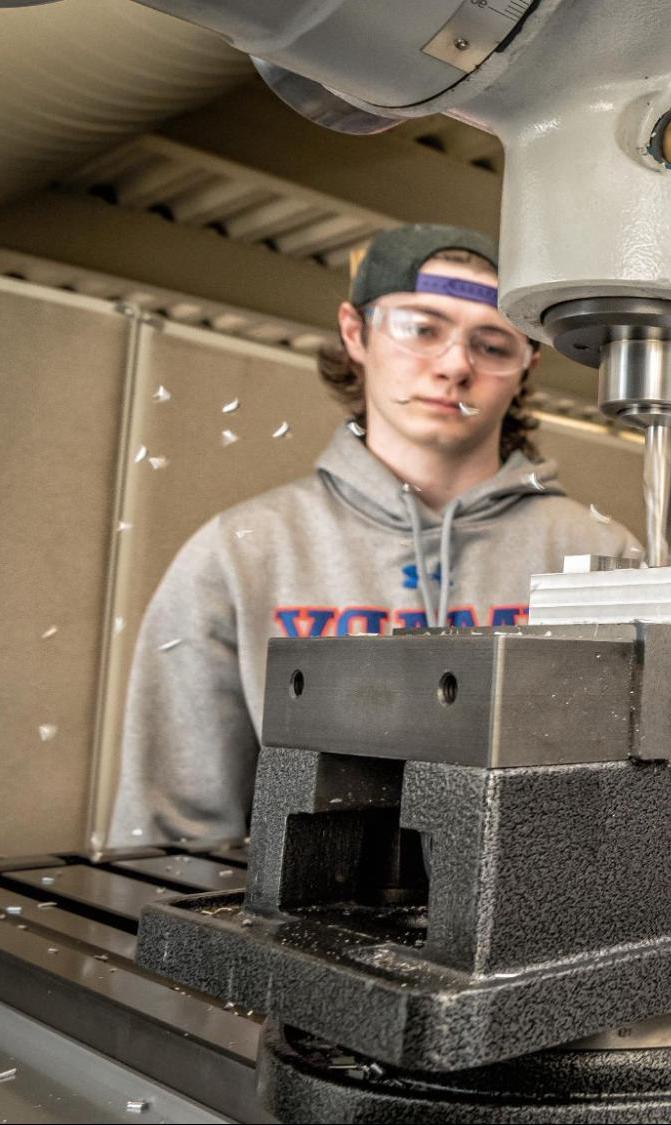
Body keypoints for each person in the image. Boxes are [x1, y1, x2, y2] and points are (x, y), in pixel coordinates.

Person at [113, 224, 636, 845]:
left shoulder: (602, 558)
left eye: (493, 343)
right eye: (422, 328)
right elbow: (176, 837)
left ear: (527, 366)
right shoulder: (241, 552)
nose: (454, 365)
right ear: (356, 333)